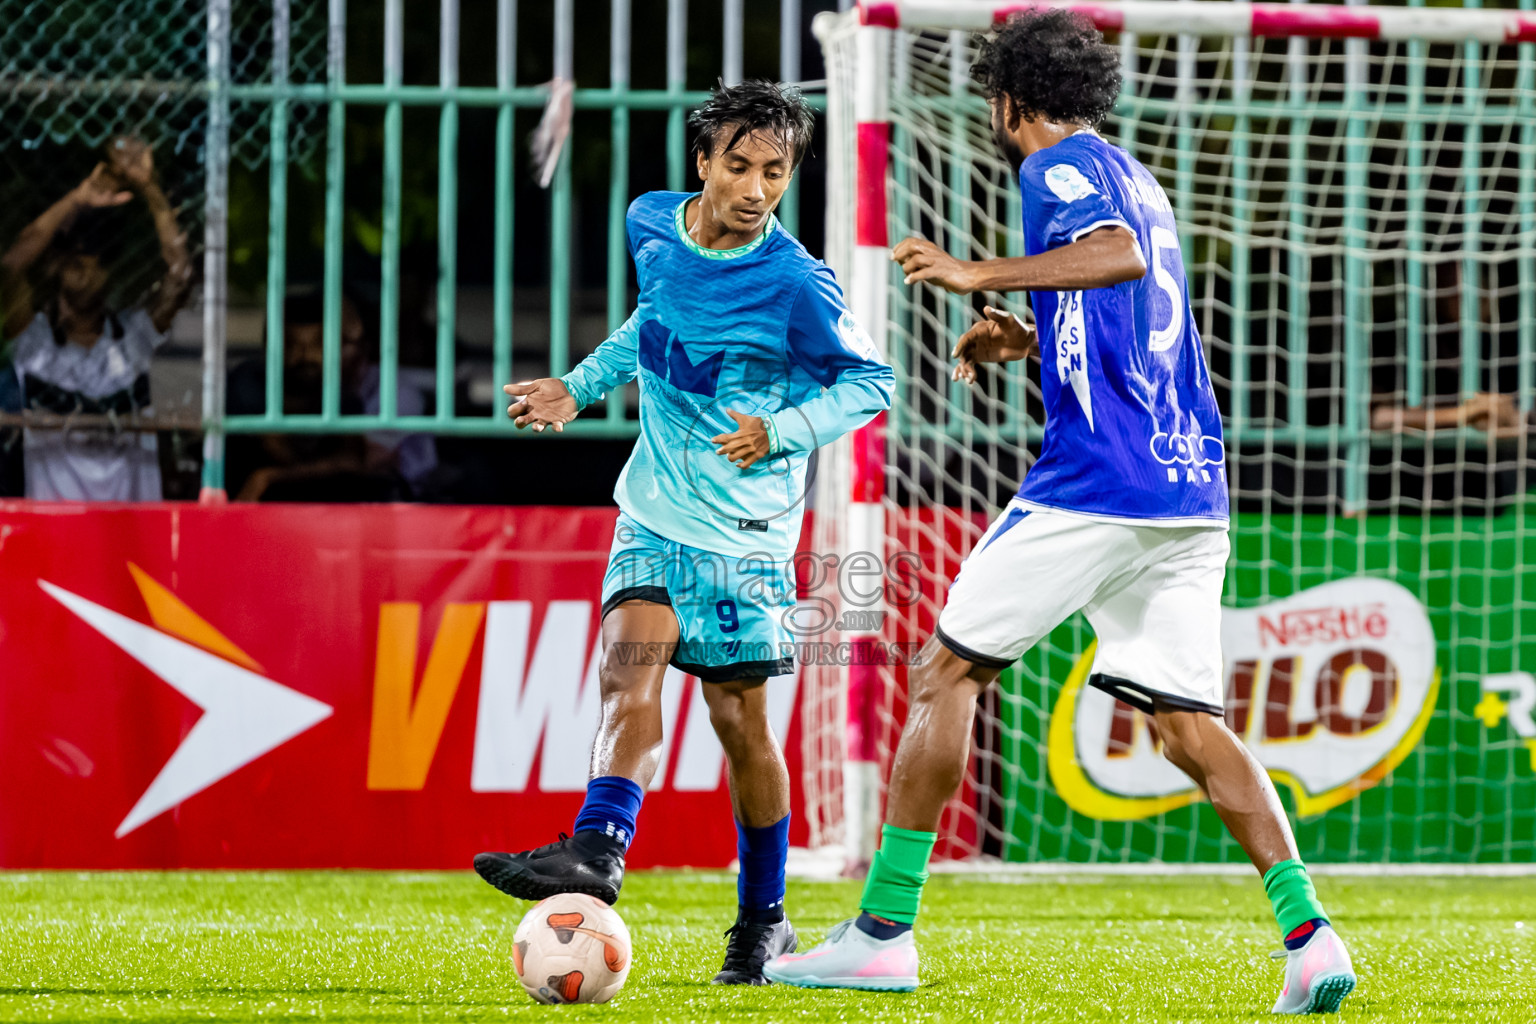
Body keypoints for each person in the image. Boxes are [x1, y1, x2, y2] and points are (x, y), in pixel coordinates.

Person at [764, 12, 1356, 1016]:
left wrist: (977, 273)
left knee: (948, 667)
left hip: (1098, 484)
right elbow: (1132, 323)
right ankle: (1309, 936)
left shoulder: (1059, 171)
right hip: (1189, 488)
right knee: (1185, 723)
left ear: (1009, 99)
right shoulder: (1138, 175)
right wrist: (1029, 340)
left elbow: (1115, 258)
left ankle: (881, 932)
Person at [471, 80, 895, 985]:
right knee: (627, 679)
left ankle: (765, 918)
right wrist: (580, 387)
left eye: (775, 172)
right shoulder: (653, 224)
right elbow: (651, 322)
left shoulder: (795, 284)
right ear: (702, 161)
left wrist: (780, 431)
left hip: (742, 536)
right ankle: (598, 849)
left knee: (740, 722)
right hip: (653, 510)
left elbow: (870, 385)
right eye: (738, 165)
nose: (755, 188)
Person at [0, 136, 190, 500]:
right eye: (73, 258)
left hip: (132, 532)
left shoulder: (134, 338)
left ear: (111, 272)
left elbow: (180, 275)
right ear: (55, 265)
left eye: (97, 260)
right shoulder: (33, 343)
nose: (85, 269)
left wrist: (148, 188)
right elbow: (10, 267)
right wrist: (76, 198)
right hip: (56, 530)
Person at [225, 288, 437, 501]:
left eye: (318, 344)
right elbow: (269, 449)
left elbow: (353, 461)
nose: (305, 355)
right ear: (271, 348)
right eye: (291, 345)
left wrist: (271, 477)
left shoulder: (343, 393)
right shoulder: (249, 385)